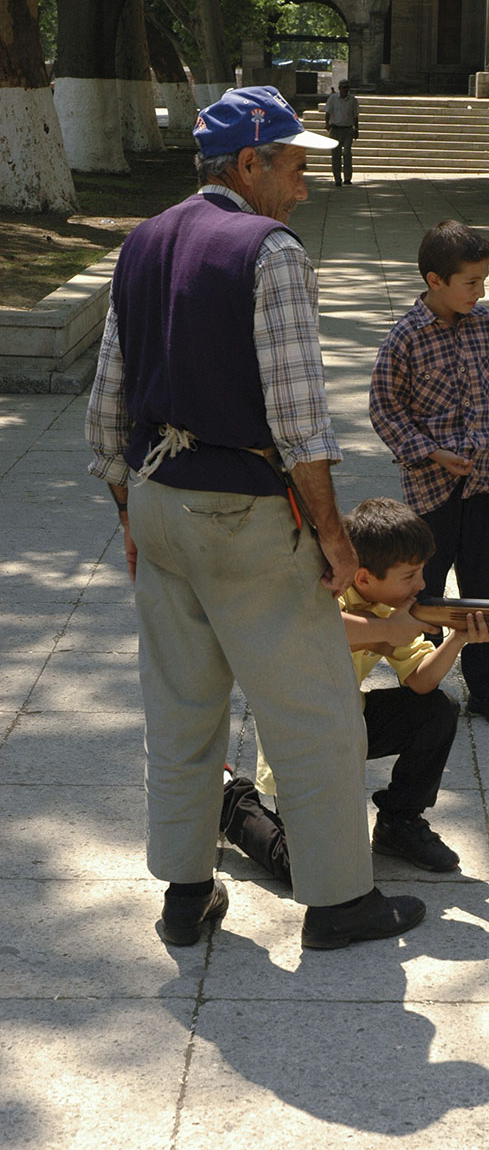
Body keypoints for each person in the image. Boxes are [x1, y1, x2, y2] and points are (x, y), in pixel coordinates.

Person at [85, 85, 425, 952]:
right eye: (295, 165)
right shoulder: (268, 251)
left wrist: (129, 507)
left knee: (182, 706)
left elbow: (107, 404)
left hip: (160, 503)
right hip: (242, 513)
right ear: (249, 163)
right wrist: (337, 540)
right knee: (312, 712)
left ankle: (185, 893)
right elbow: (299, 416)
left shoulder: (143, 241)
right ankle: (342, 900)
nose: (304, 186)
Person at [226, 497, 489, 877]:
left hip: (347, 724)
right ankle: (230, 801)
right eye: (409, 575)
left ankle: (399, 822)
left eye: (422, 571)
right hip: (297, 737)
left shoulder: (394, 610)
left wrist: (457, 639)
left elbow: (421, 682)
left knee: (438, 709)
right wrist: (388, 630)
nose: (422, 584)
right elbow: (319, 624)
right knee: (304, 871)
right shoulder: (322, 585)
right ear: (363, 577)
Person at [369, 220, 489, 728]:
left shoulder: (487, 326)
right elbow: (384, 409)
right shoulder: (405, 338)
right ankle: (422, 684)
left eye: (484, 282)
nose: (478, 292)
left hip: (483, 481)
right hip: (429, 486)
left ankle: (488, 689)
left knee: (486, 587)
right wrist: (432, 453)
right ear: (435, 280)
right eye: (470, 283)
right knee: (427, 592)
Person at [324, 79, 359, 186]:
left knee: (347, 153)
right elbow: (328, 111)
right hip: (335, 129)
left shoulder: (352, 100)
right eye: (344, 87)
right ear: (339, 88)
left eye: (347, 87)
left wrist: (356, 129)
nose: (346, 90)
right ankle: (337, 178)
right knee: (336, 155)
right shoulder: (333, 98)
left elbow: (355, 115)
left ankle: (347, 177)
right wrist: (327, 124)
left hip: (348, 129)